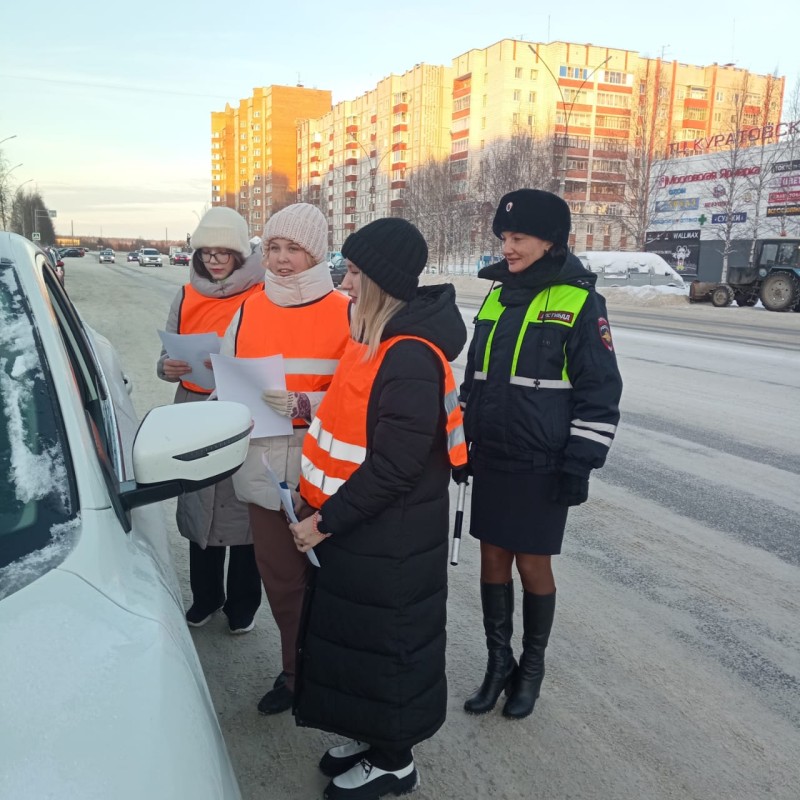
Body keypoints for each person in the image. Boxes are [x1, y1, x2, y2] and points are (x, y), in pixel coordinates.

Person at [290, 218, 468, 800]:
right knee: (361, 640)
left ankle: (395, 760)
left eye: (355, 272)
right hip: (363, 532)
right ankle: (372, 735)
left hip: (388, 539)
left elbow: (394, 467)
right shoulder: (376, 342)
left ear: (380, 282)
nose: (343, 282)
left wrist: (324, 522)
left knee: (389, 646)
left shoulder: (410, 357)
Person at [459, 189, 623, 720]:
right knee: (490, 558)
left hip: (542, 462)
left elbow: (600, 391)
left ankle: (531, 670)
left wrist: (580, 463)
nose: (507, 248)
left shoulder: (580, 301)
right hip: (493, 457)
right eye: (504, 238)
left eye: (518, 238)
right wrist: (461, 441)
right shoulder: (496, 295)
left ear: (550, 241)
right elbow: (475, 381)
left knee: (532, 564)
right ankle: (497, 664)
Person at [219, 203, 351, 715]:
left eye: (293, 248)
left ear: (316, 252)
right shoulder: (247, 309)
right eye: (272, 247)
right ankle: (296, 675)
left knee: (330, 583)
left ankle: (330, 675)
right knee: (281, 581)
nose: (281, 259)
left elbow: (364, 394)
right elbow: (230, 386)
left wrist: (306, 405)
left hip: (326, 473)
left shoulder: (346, 310)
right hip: (263, 471)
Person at [157, 206, 265, 633]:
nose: (214, 260)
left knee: (243, 508)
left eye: (223, 252)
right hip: (194, 411)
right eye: (206, 252)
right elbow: (165, 357)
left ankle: (243, 604)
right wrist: (167, 367)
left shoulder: (262, 295)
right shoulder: (184, 296)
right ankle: (205, 597)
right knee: (198, 502)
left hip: (243, 412)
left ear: (240, 254)